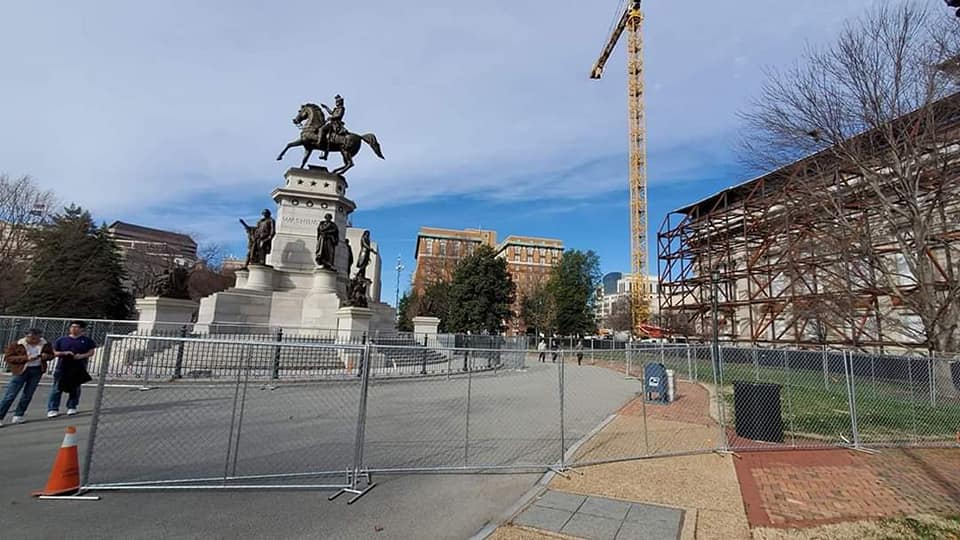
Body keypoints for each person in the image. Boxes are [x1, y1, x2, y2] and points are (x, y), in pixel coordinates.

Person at [0, 328, 54, 426]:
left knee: (28, 394)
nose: (35, 340)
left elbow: (51, 355)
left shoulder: (45, 344)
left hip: (36, 370)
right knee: (10, 395)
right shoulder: (17, 344)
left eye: (37, 338)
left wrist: (46, 356)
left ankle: (19, 415)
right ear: (26, 337)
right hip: (21, 370)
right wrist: (25, 358)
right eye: (32, 338)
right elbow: (8, 358)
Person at [47, 321, 97, 418]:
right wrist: (64, 353)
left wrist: (81, 356)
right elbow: (54, 352)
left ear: (82, 329)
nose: (74, 329)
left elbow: (91, 352)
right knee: (57, 388)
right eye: (72, 327)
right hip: (62, 367)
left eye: (76, 327)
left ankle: (72, 406)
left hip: (78, 367)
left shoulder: (86, 341)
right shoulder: (62, 340)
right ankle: (53, 408)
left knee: (75, 388)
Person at [318, 94, 346, 160]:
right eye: (336, 102)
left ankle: (320, 143)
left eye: (337, 102)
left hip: (335, 124)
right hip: (332, 122)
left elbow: (338, 116)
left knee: (322, 129)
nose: (336, 103)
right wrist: (326, 107)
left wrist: (331, 117)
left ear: (340, 102)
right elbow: (331, 112)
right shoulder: (336, 109)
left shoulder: (341, 108)